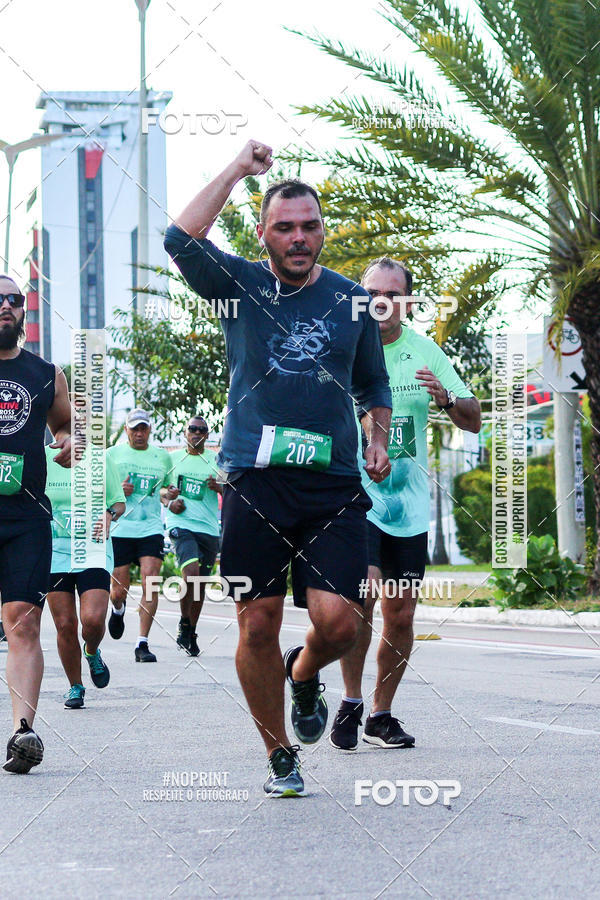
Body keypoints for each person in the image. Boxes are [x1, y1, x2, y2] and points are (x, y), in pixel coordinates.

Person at [164, 140, 392, 797]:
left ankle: (303, 673)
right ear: (263, 232)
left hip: (331, 488)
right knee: (256, 622)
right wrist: (237, 168)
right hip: (254, 480)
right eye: (284, 226)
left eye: (309, 226)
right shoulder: (238, 283)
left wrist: (376, 440)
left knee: (343, 623)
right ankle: (280, 757)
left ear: (324, 230)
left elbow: (373, 386)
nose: (298, 238)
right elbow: (179, 237)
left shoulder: (353, 302)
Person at [329, 257, 481, 751]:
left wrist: (446, 400)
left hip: (409, 507)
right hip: (356, 498)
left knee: (401, 614)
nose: (383, 302)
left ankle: (381, 713)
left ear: (407, 301)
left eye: (394, 294)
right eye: (374, 292)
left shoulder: (425, 351)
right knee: (363, 598)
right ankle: (350, 699)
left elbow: (473, 418)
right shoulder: (342, 348)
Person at [0, 275, 72, 773]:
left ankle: (23, 732)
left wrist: (68, 441)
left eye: (12, 298)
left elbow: (65, 425)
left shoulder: (46, 373)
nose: (4, 305)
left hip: (26, 515)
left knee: (23, 618)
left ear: (23, 310)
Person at [46, 446, 125, 707]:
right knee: (65, 624)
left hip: (93, 549)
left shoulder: (101, 458)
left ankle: (91, 652)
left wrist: (109, 513)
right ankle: (75, 686)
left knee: (91, 621)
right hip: (55, 552)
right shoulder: (42, 456)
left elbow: (118, 501)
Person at [106, 409, 172, 662]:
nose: (139, 433)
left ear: (149, 430)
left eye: (143, 428)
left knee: (151, 581)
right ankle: (118, 608)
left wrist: (169, 495)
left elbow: (164, 488)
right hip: (121, 527)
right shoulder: (112, 455)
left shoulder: (161, 457)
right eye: (134, 428)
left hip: (150, 528)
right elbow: (96, 485)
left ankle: (142, 643)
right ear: (126, 430)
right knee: (118, 589)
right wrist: (118, 488)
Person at [161, 415, 221, 657]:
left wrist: (220, 487)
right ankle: (186, 623)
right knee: (192, 574)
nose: (197, 433)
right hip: (181, 524)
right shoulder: (173, 459)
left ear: (207, 435)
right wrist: (169, 501)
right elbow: (161, 490)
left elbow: (232, 490)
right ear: (185, 433)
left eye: (202, 430)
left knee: (201, 585)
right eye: (192, 429)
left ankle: (189, 628)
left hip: (208, 528)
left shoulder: (217, 460)